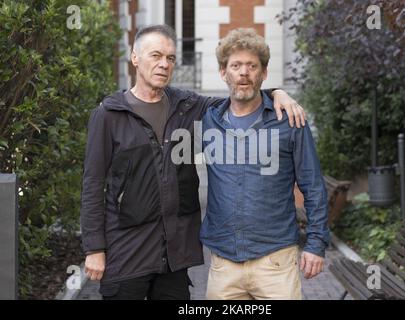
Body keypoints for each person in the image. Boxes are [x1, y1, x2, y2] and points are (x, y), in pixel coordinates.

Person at [80, 24, 306, 300]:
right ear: (135, 58)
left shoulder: (187, 106)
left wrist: (275, 92)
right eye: (156, 56)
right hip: (127, 251)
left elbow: (239, 97)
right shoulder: (109, 115)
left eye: (171, 58)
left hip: (174, 258)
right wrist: (94, 248)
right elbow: (93, 183)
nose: (164, 64)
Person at [200, 28, 330, 300]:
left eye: (252, 66)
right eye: (236, 66)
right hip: (224, 264)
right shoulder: (209, 120)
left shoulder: (290, 121)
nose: (244, 72)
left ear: (263, 73)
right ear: (224, 73)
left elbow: (313, 186)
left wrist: (316, 244)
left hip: (276, 263)